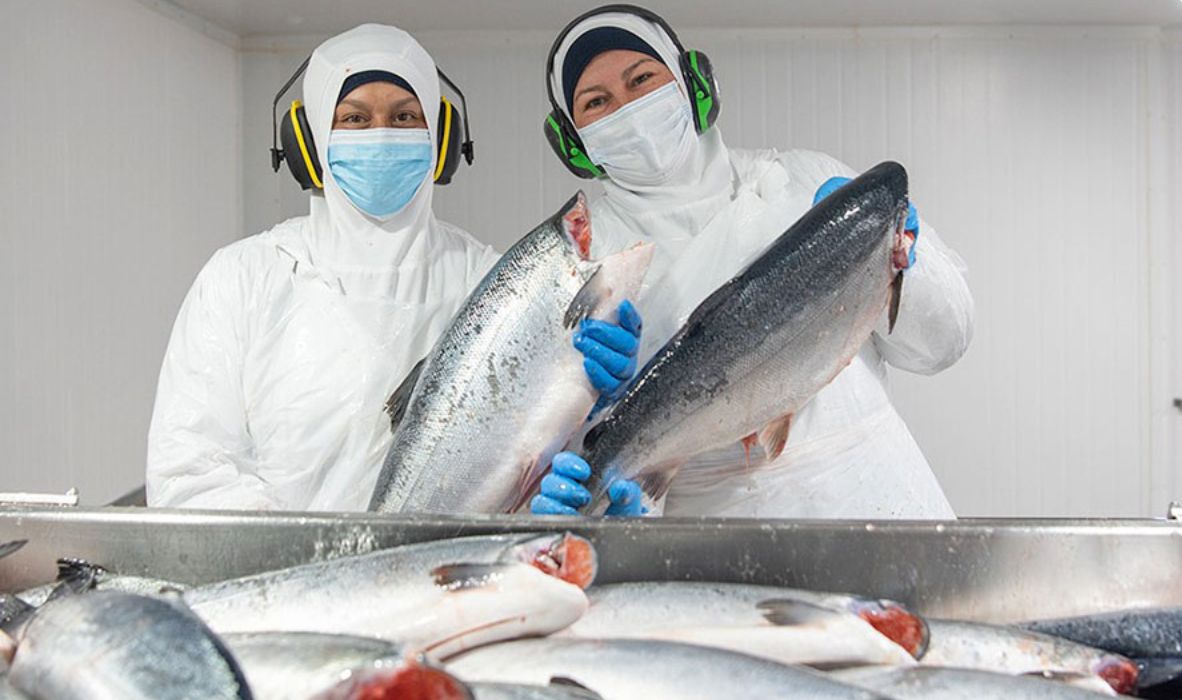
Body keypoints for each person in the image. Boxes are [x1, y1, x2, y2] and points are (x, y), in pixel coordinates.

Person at [146, 24, 641, 511]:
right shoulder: (243, 279)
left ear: (441, 139)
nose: (380, 134)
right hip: (282, 564)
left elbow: (528, 465)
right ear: (308, 142)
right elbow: (187, 473)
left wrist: (589, 405)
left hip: (453, 563)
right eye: (354, 118)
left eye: (405, 117)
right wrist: (303, 553)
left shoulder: (493, 286)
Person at [531, 5, 974, 519]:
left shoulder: (805, 181)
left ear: (693, 85)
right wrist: (600, 455)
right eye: (596, 102)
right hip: (711, 535)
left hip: (878, 498)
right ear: (573, 141)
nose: (627, 108)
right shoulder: (582, 266)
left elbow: (944, 343)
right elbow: (563, 451)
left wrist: (901, 263)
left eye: (643, 79)